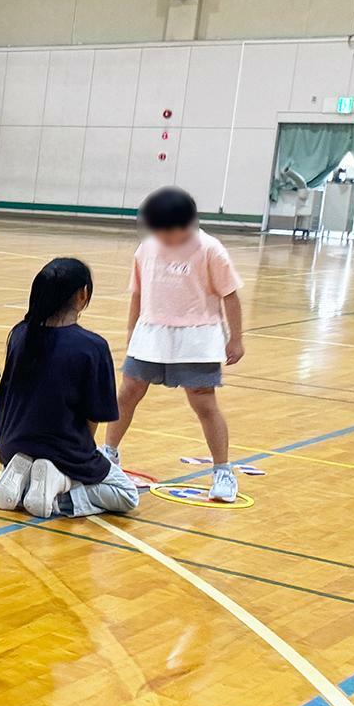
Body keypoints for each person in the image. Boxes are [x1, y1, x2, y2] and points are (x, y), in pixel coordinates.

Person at [105, 186, 246, 502]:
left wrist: (236, 338)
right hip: (151, 334)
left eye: (170, 231)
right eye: (160, 231)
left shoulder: (211, 249)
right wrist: (132, 336)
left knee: (204, 403)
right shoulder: (146, 249)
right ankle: (108, 454)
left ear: (190, 223)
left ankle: (222, 471)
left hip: (197, 337)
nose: (164, 238)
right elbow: (138, 295)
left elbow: (230, 295)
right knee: (127, 393)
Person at [0, 258, 140, 519]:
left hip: (11, 446)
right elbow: (94, 418)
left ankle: (23, 480)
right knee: (126, 493)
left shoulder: (19, 334)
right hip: (64, 451)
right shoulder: (92, 346)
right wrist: (81, 458)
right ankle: (59, 493)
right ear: (83, 295)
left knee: (39, 459)